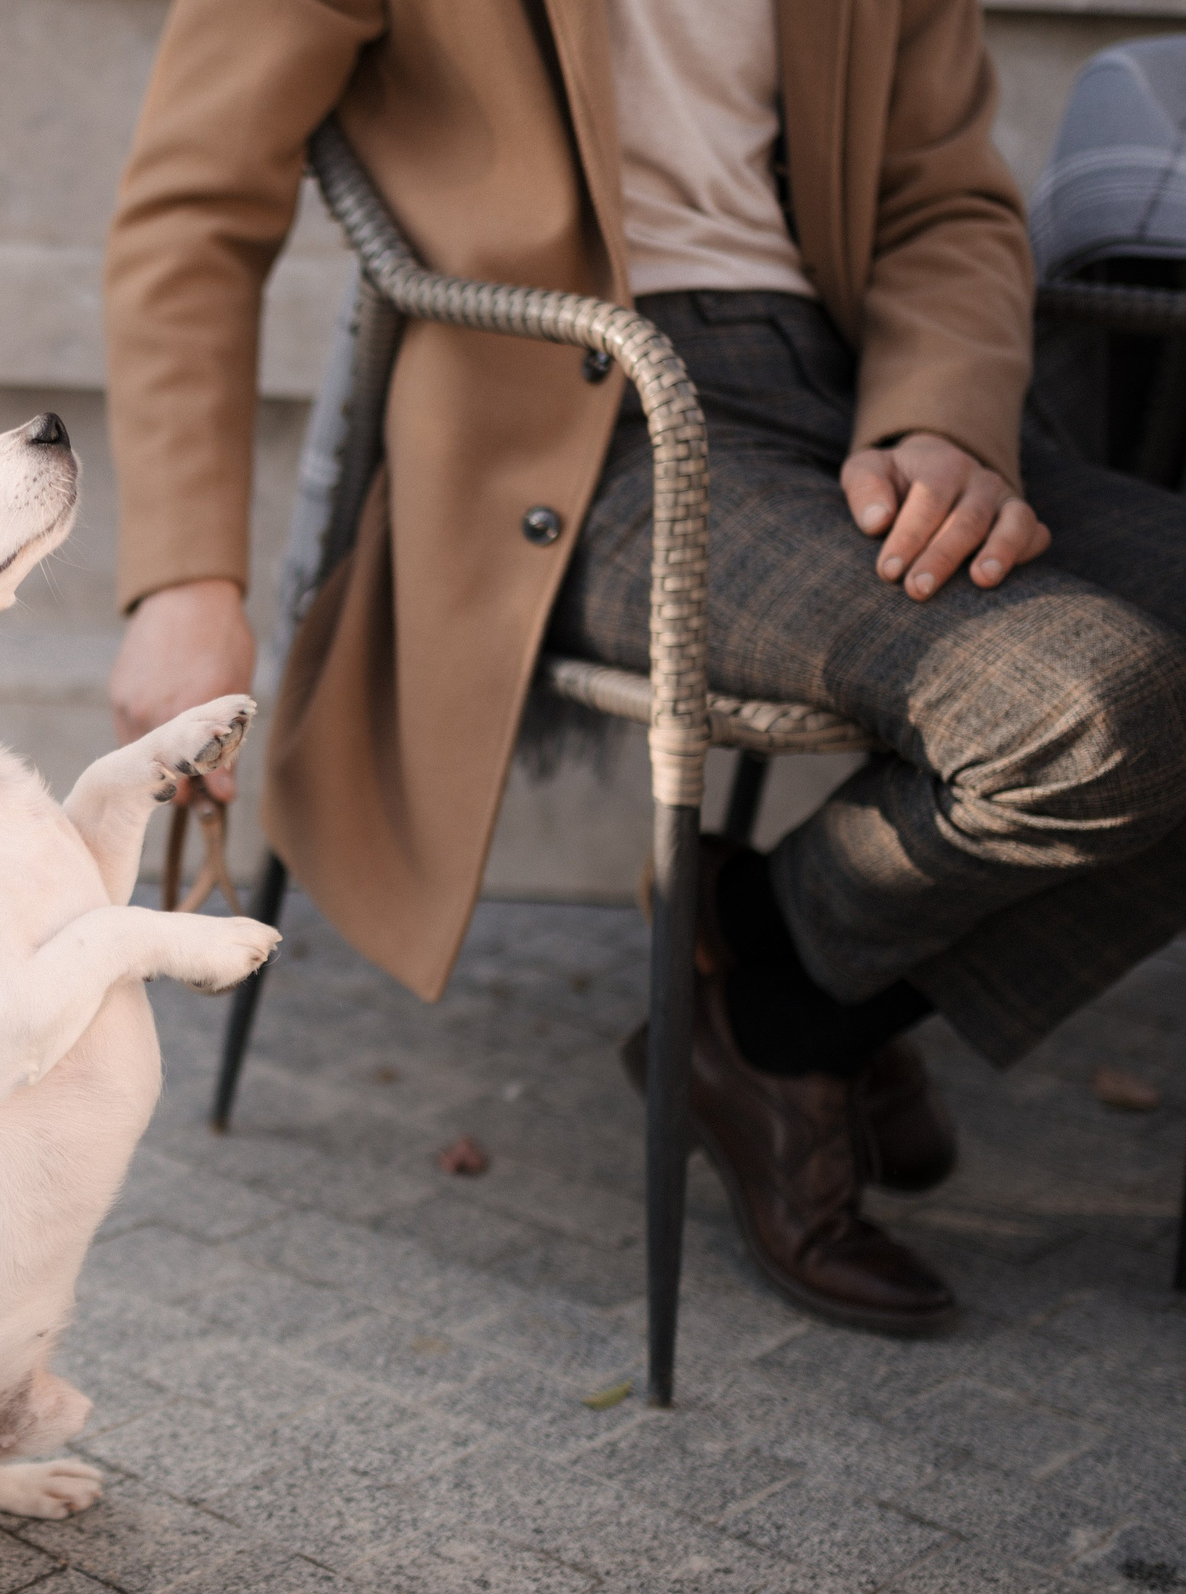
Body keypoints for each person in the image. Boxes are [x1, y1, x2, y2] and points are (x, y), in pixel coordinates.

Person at [101, 0, 1186, 1334]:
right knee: (1088, 710)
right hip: (588, 428)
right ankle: (787, 1024)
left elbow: (942, 198)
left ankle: (771, 997)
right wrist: (185, 580)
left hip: (862, 386)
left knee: (1111, 701)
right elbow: (194, 209)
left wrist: (942, 419)